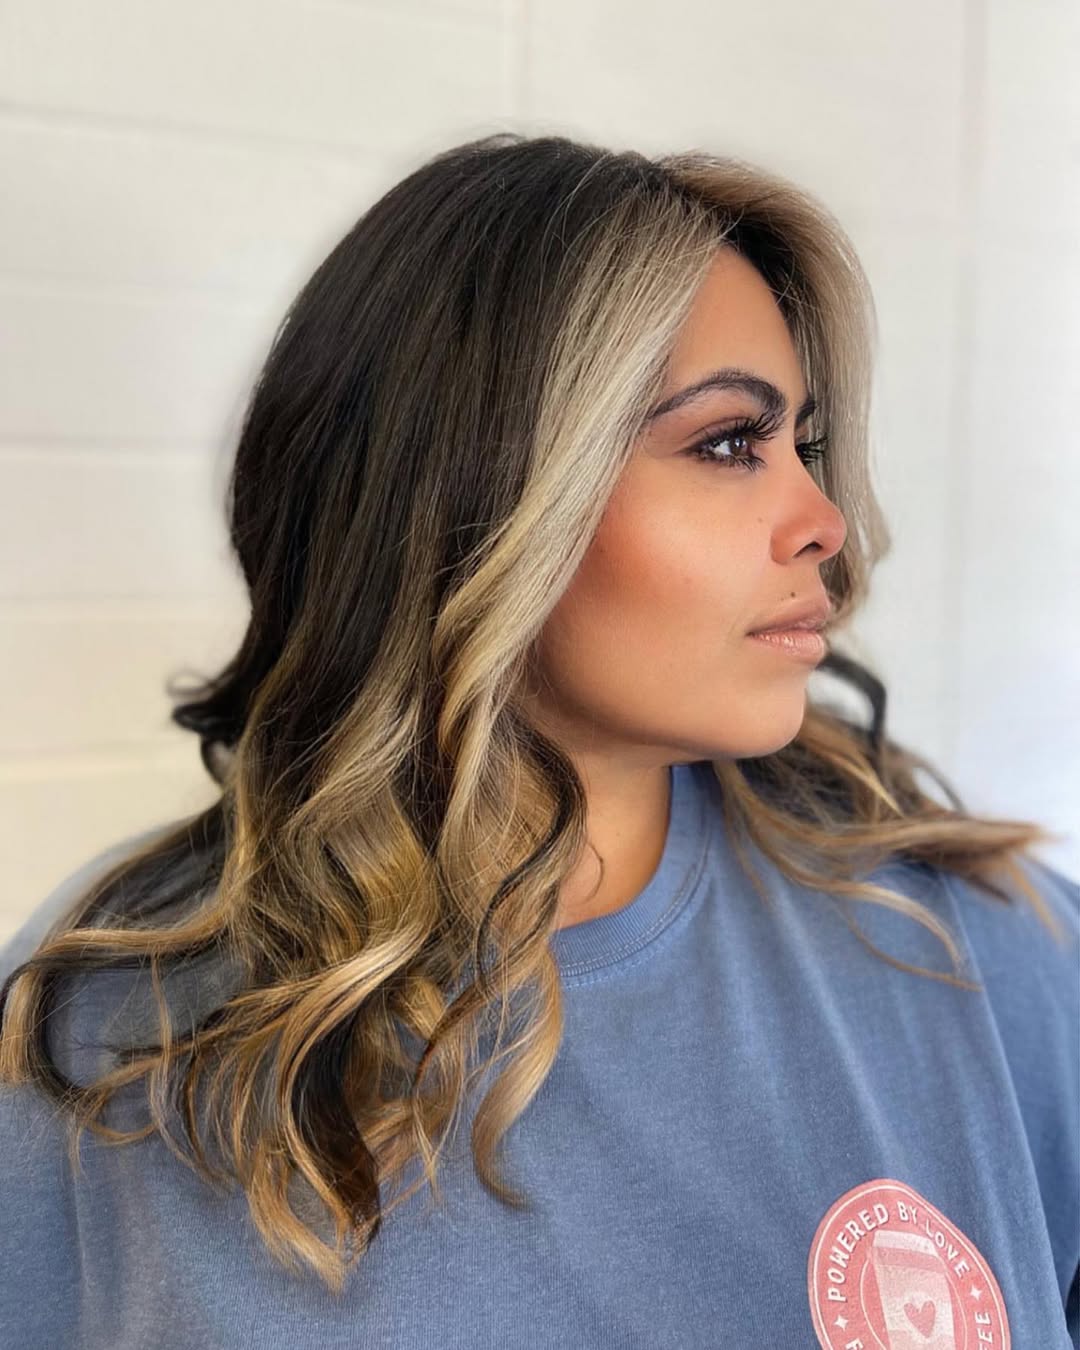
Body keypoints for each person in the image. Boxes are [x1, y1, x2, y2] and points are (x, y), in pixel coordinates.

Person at [1, 132, 1077, 1349]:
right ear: (478, 497)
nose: (826, 522)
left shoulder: (986, 953)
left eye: (804, 447)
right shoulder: (99, 1030)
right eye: (729, 443)